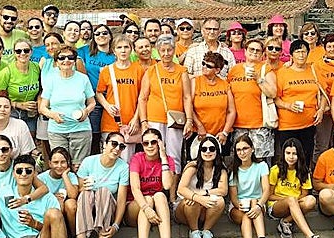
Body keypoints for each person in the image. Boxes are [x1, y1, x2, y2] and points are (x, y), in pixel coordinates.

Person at [72, 134, 130, 238]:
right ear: (105, 144)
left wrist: (116, 225)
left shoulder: (123, 167)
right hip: (88, 205)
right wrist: (84, 187)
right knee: (85, 193)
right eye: (114, 144)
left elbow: (121, 200)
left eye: (121, 146)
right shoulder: (89, 161)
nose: (117, 149)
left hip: (108, 207)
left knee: (103, 191)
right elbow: (79, 189)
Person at [138, 35, 193, 170]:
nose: (166, 53)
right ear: (158, 51)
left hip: (175, 119)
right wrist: (143, 121)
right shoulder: (151, 71)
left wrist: (189, 120)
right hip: (154, 118)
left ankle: (174, 182)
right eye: (163, 50)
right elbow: (142, 98)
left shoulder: (182, 71)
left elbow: (187, 97)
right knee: (154, 153)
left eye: (169, 50)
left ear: (174, 50)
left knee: (174, 156)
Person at [127, 130, 179, 238]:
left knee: (160, 195)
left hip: (156, 207)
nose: (150, 146)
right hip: (136, 205)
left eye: (154, 142)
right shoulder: (137, 158)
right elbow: (135, 189)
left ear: (160, 143)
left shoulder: (168, 160)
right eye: (146, 143)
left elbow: (167, 185)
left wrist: (163, 157)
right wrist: (146, 208)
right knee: (148, 199)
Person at [265, 39, 325, 154]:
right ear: (291, 55)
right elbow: (275, 98)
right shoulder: (282, 73)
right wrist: (288, 106)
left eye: (304, 51)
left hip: (309, 124)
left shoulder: (314, 70)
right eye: (297, 52)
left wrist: (321, 110)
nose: (301, 55)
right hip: (287, 125)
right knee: (288, 158)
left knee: (306, 157)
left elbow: (323, 93)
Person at [40, 45, 97, 164]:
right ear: (56, 62)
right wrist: (52, 115)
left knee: (79, 166)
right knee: (60, 166)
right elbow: (43, 107)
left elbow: (92, 102)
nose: (66, 60)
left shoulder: (83, 79)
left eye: (70, 57)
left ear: (75, 61)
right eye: (62, 58)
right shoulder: (51, 79)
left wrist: (86, 111)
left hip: (81, 129)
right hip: (57, 130)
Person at [268, 140, 325, 238]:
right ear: (283, 154)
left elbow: (304, 194)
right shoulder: (275, 170)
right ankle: (310, 237)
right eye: (288, 153)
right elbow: (269, 195)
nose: (291, 157)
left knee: (311, 200)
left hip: (295, 204)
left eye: (294, 153)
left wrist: (293, 201)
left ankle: (286, 222)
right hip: (276, 206)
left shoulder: (303, 170)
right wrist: (289, 200)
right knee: (291, 200)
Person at [175, 134, 229, 238]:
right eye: (204, 149)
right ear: (200, 151)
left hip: (205, 209)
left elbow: (223, 190)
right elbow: (181, 189)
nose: (208, 152)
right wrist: (197, 197)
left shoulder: (220, 169)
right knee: (192, 201)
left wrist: (205, 193)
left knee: (220, 201)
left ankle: (206, 230)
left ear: (217, 151)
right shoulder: (193, 166)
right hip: (186, 208)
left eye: (211, 149)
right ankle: (194, 231)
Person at [227, 37, 274, 160]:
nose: (254, 52)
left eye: (258, 50)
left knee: (261, 161)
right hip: (238, 124)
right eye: (251, 49)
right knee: (240, 161)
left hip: (259, 124)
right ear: (245, 51)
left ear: (262, 54)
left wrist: (258, 79)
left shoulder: (265, 69)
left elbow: (273, 93)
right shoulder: (235, 70)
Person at [227, 133, 271, 238]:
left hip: (258, 204)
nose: (242, 153)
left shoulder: (261, 166)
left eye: (245, 148)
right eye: (239, 150)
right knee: (246, 213)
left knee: (254, 202)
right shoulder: (234, 170)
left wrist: (258, 206)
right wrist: (239, 205)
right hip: (239, 207)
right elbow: (234, 197)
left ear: (252, 149)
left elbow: (266, 190)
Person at [97, 36, 145, 153]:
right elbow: (99, 93)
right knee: (109, 155)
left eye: (126, 47)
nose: (123, 51)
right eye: (119, 48)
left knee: (127, 158)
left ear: (131, 49)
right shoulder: (107, 70)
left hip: (130, 123)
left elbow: (142, 97)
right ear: (114, 51)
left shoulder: (139, 70)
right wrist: (107, 106)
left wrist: (136, 119)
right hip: (110, 121)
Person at [189, 52, 236, 156]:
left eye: (209, 66)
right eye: (203, 63)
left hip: (220, 134)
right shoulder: (195, 81)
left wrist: (225, 132)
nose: (204, 67)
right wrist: (199, 126)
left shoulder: (225, 84)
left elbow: (231, 111)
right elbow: (189, 106)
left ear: (217, 70)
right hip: (199, 133)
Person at [0, 39, 42, 138]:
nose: (22, 53)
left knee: (29, 140)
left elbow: (41, 89)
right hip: (12, 112)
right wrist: (19, 105)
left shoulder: (36, 67)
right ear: (14, 53)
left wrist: (38, 103)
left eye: (26, 50)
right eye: (18, 51)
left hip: (31, 113)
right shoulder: (6, 72)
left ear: (31, 52)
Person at [78, 25, 115, 147]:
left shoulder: (116, 54)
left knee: (110, 134)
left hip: (110, 98)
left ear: (110, 36)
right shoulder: (85, 51)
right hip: (92, 97)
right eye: (97, 34)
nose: (101, 36)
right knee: (94, 134)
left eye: (104, 33)